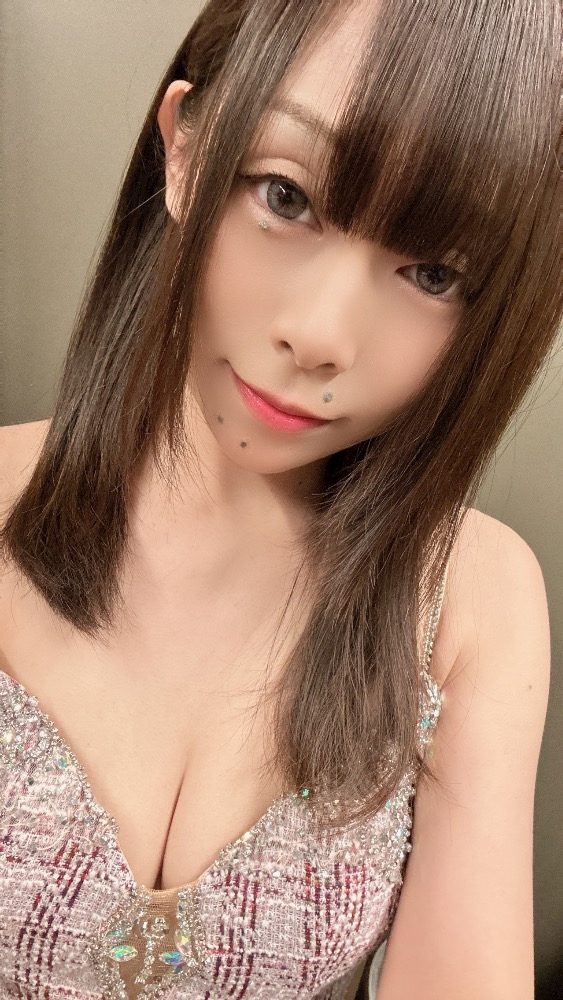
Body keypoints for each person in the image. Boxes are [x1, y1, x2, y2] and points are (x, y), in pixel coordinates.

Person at [0, 0, 560, 997]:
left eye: (432, 273)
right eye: (285, 197)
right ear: (184, 149)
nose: (319, 334)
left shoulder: (469, 605)